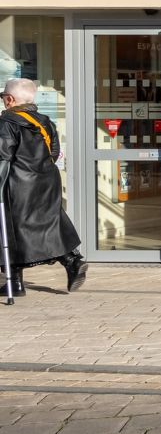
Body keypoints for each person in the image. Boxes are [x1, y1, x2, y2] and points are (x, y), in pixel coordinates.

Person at [0, 79, 84, 296]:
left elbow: (3, 156)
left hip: (17, 184)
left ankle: (14, 283)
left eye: (3, 98)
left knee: (8, 230)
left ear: (10, 100)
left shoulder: (8, 122)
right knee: (45, 223)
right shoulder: (44, 121)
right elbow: (53, 152)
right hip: (46, 181)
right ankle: (71, 259)